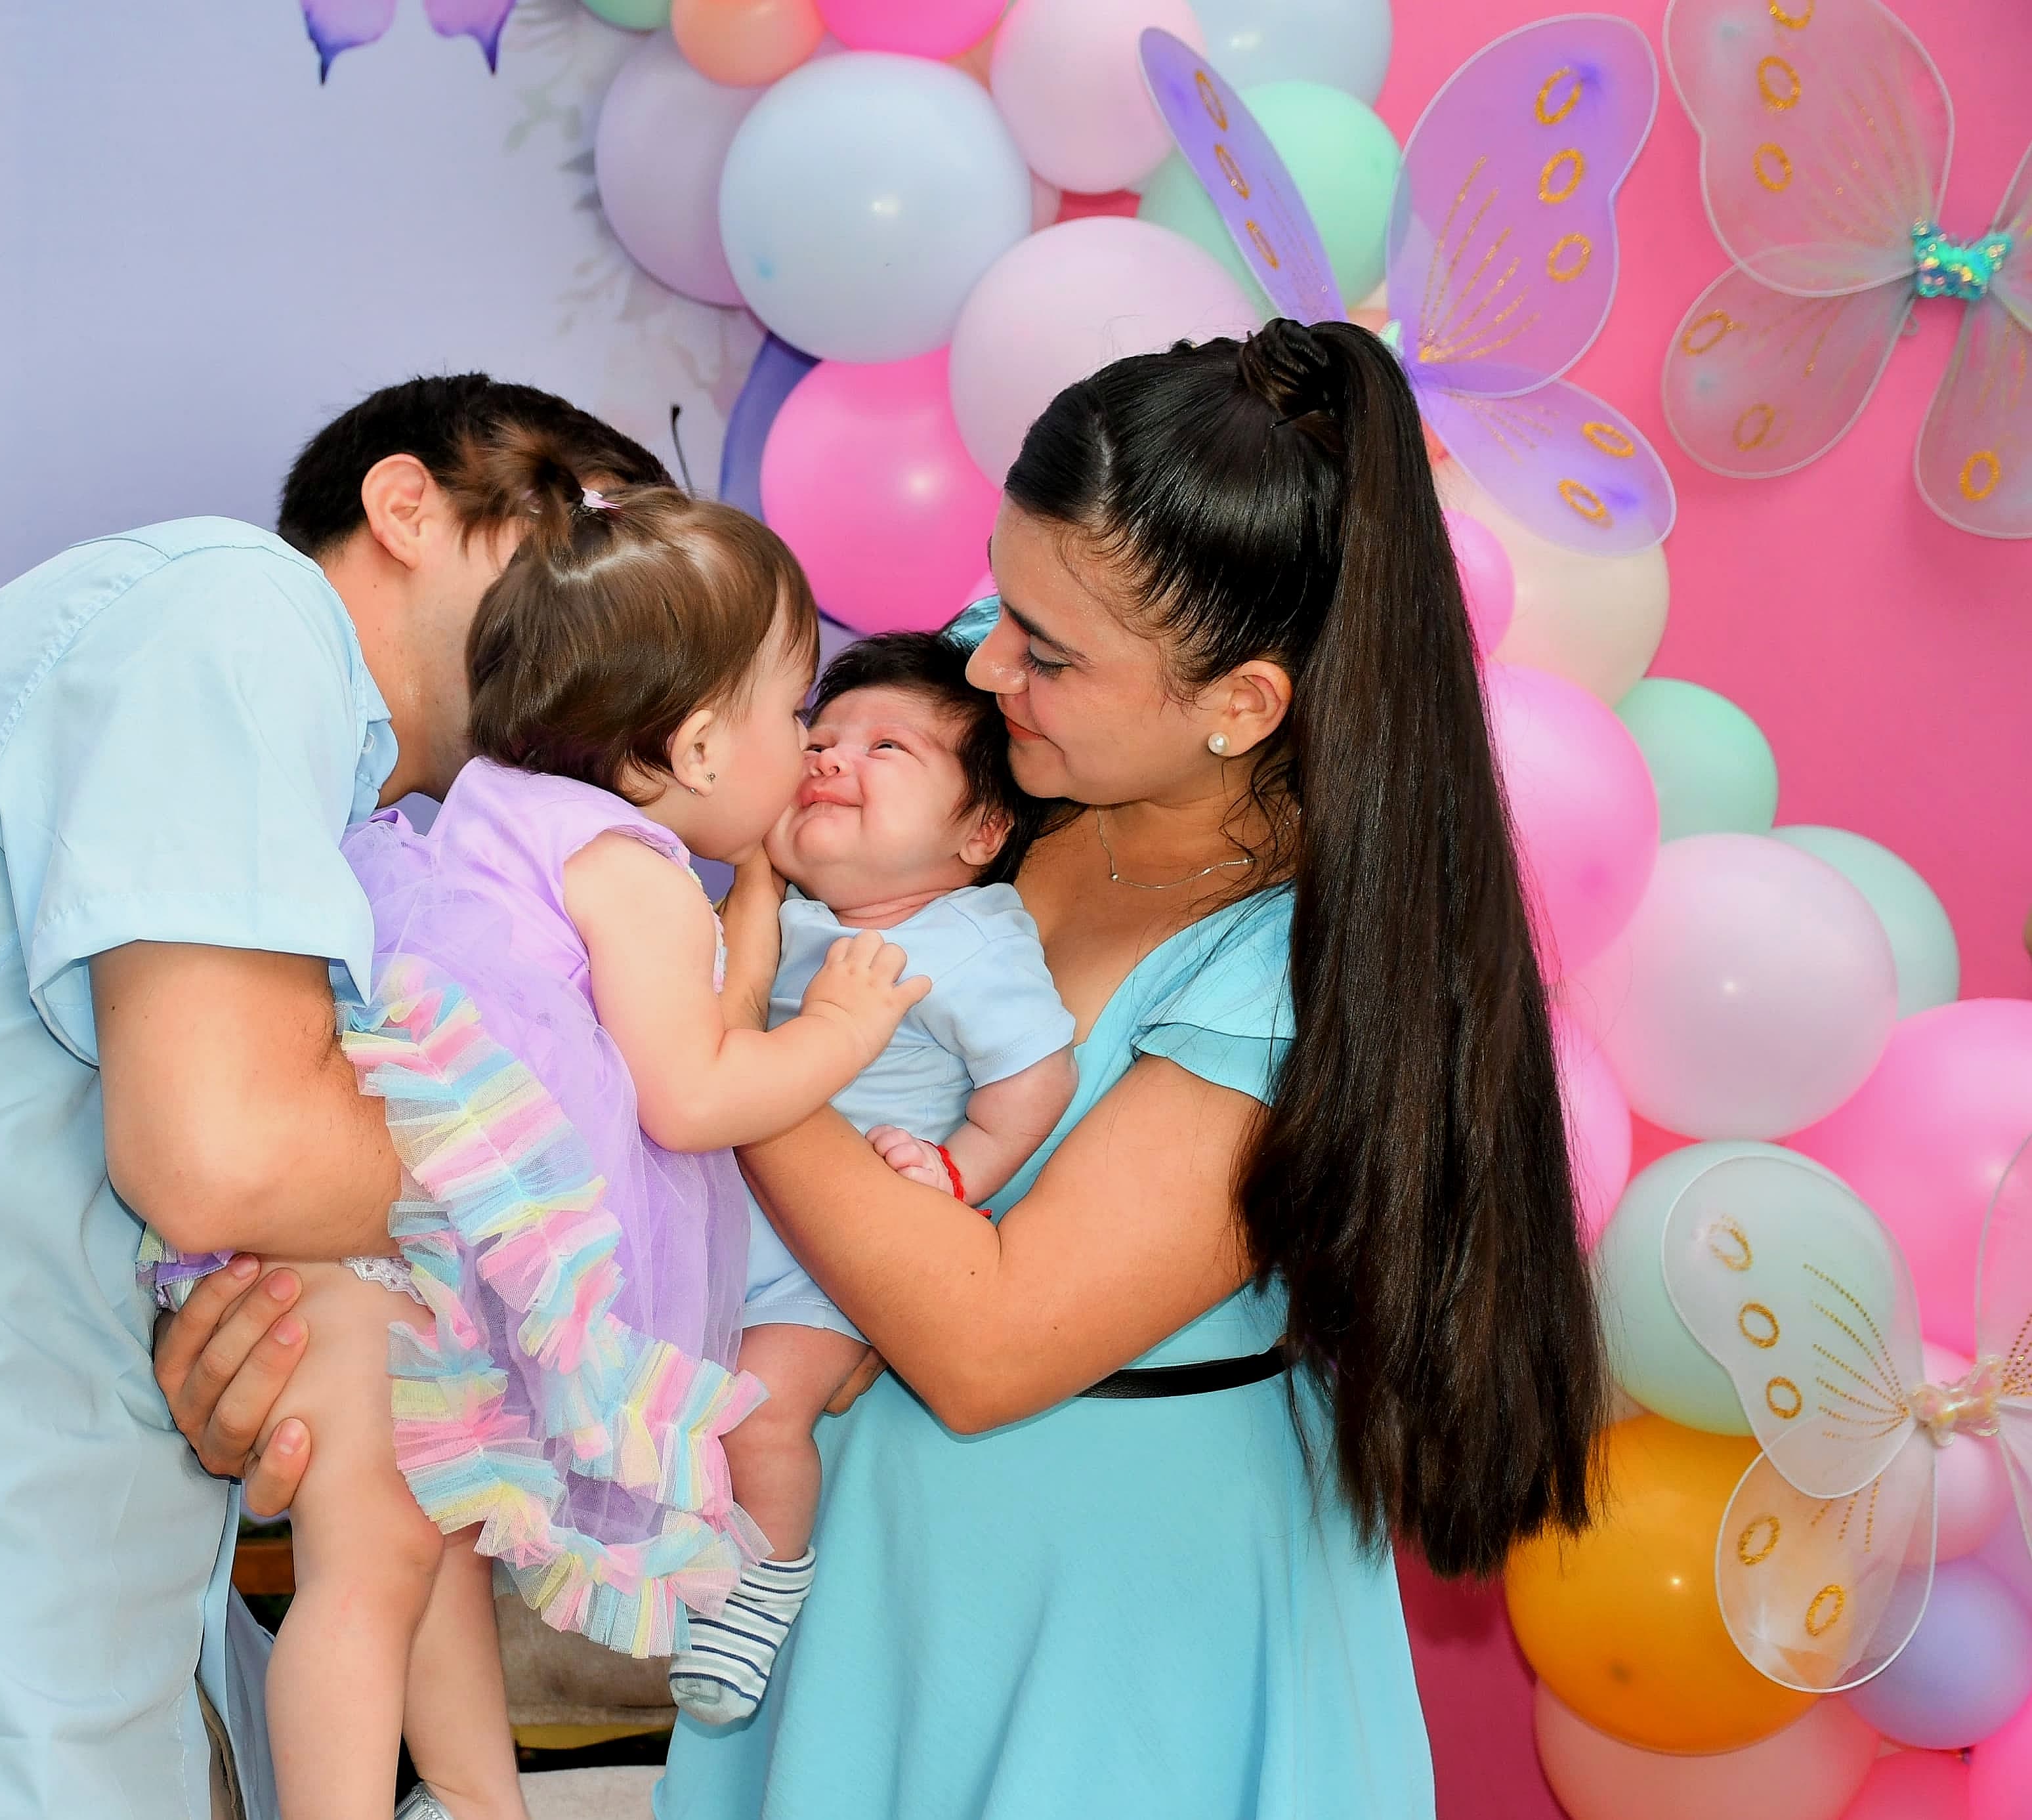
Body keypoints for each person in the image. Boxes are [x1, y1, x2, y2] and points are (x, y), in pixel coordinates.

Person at [158, 318, 1605, 1816]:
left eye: (1048, 651)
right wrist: (356, 1333)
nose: (984, 660)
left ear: (1241, 704)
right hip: (848, 1575)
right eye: (1002, 598)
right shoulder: (997, 755)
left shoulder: (1283, 973)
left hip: (1116, 1628)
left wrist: (714, 1049)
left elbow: (984, 1342)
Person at [0, 375, 668, 1820]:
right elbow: (229, 1150)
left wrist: (232, 1354)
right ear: (407, 505)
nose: (627, 624)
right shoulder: (234, 608)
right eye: (593, 542)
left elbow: (165, 1179)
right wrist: (599, 1177)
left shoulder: (345, 830)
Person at [140, 472, 931, 1820]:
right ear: (697, 748)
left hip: (373, 1238)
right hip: (410, 1259)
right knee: (373, 1572)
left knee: (424, 1544)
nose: (806, 747)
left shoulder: (502, 808)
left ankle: (474, 1799)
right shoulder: (634, 871)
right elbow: (692, 1095)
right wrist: (842, 1032)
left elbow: (668, 1029)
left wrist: (747, 913)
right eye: (793, 711)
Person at [667, 632, 1076, 1727]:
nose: (831, 757)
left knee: (758, 1412)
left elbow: (1037, 1076)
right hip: (726, 1227)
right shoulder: (780, 917)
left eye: (887, 747)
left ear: (981, 831)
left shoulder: (968, 941)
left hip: (831, 1263)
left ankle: (761, 1584)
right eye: (820, 737)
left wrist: (957, 1168)